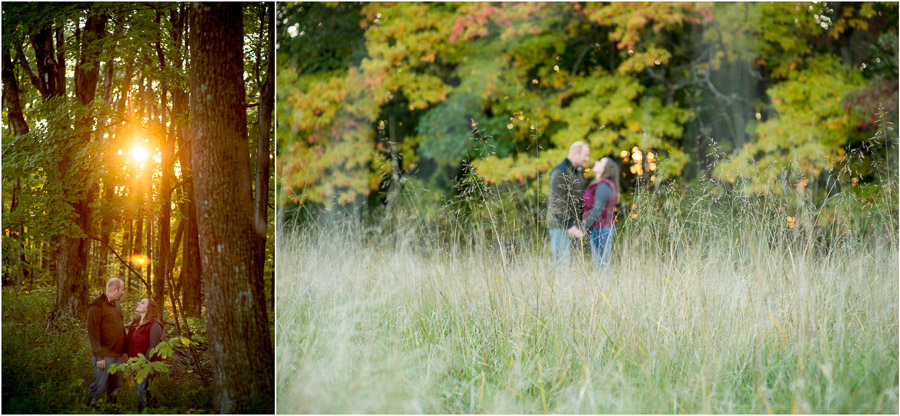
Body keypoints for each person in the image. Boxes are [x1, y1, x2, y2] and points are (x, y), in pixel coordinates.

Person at [547, 141, 590, 270]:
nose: (587, 159)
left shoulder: (575, 172)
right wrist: (569, 225)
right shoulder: (560, 171)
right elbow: (557, 201)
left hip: (574, 225)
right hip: (561, 226)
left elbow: (578, 198)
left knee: (571, 265)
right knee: (561, 263)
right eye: (585, 155)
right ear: (576, 153)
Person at [86, 278, 127, 406]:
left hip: (118, 355)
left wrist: (125, 350)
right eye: (122, 290)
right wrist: (99, 356)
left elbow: (121, 327)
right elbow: (93, 333)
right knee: (98, 387)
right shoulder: (96, 305)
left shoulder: (117, 305)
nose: (123, 293)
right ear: (114, 289)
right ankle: (90, 411)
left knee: (115, 388)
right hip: (104, 356)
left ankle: (112, 410)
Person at [580, 157, 620, 282]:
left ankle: (606, 291)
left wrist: (583, 229)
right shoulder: (601, 185)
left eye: (600, 162)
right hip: (599, 228)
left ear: (606, 169)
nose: (596, 162)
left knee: (602, 264)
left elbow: (597, 210)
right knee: (601, 264)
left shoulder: (604, 186)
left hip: (602, 229)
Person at [125, 298, 164, 411]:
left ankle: (148, 411)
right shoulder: (136, 321)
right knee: (140, 391)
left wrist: (142, 364)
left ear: (149, 308)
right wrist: (126, 353)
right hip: (134, 363)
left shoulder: (155, 324)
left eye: (142, 303)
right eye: (139, 302)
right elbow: (129, 340)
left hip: (148, 365)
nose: (138, 303)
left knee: (143, 392)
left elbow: (153, 347)